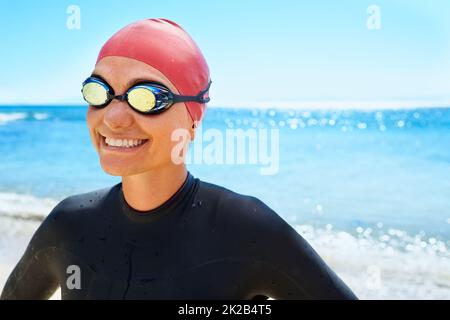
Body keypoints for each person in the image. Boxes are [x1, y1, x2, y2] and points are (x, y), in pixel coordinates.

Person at [1, 18, 357, 300]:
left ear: (192, 119)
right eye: (100, 92)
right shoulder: (68, 226)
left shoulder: (246, 231)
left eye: (147, 96)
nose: (113, 117)